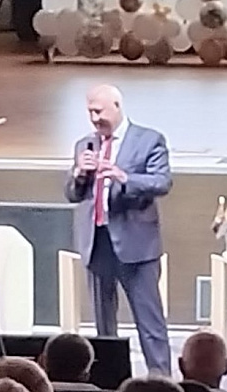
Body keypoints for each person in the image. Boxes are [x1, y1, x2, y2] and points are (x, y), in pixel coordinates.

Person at [64, 84, 172, 375]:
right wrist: (79, 173)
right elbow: (73, 194)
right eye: (89, 112)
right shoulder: (84, 145)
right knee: (103, 326)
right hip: (96, 243)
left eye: (99, 111)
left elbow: (162, 182)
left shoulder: (148, 140)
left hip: (136, 245)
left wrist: (124, 177)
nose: (94, 118)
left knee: (150, 322)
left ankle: (161, 380)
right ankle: (109, 379)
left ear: (116, 106)